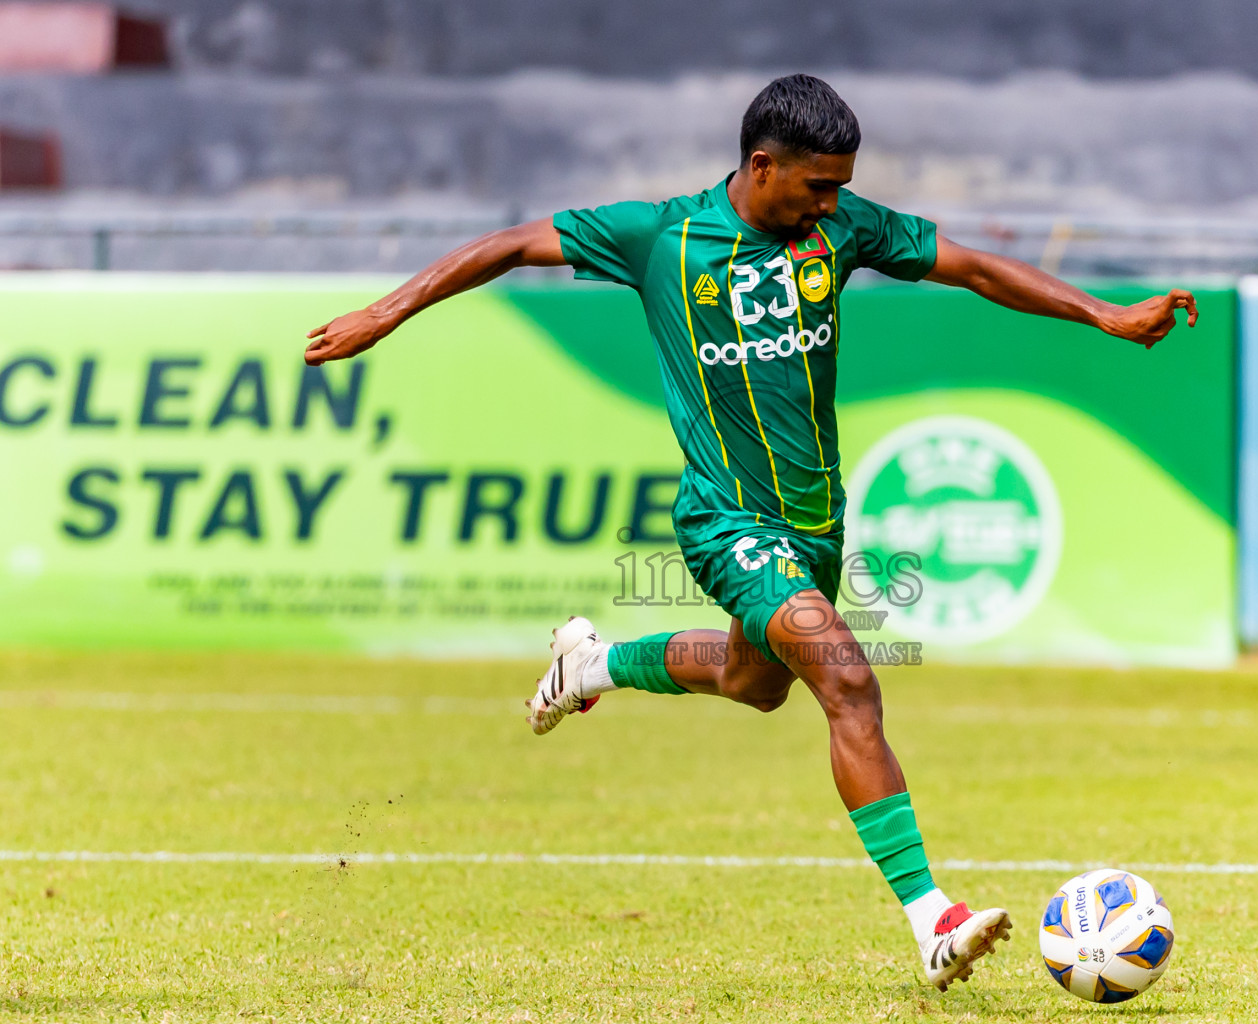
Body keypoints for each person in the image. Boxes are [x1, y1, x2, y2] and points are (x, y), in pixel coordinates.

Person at [303, 73, 1197, 991]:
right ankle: (934, 919)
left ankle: (592, 665)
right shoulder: (660, 236)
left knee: (752, 682)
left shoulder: (838, 230)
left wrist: (1106, 315)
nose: (833, 202)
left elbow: (969, 265)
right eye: (818, 185)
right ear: (762, 166)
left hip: (815, 522)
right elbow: (509, 244)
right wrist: (384, 311)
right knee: (847, 679)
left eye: (841, 186)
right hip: (725, 518)